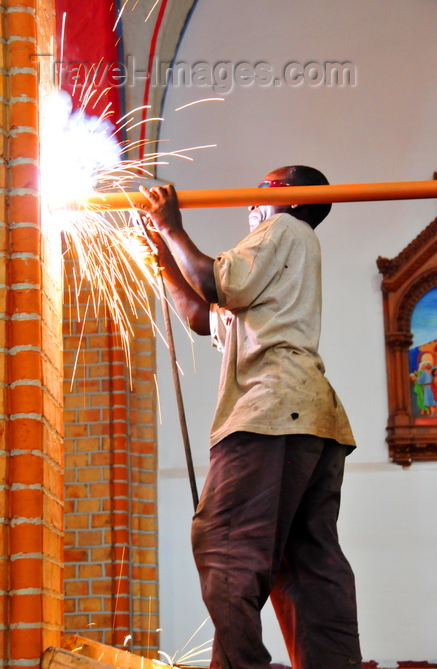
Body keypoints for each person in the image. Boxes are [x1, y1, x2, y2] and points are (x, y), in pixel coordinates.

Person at [138, 166, 362, 669]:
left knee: (225, 546)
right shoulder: (276, 272)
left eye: (266, 190)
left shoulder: (283, 231)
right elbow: (201, 316)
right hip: (310, 420)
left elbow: (213, 283)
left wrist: (172, 226)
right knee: (305, 567)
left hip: (270, 411)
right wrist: (161, 255)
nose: (252, 201)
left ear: (297, 202)